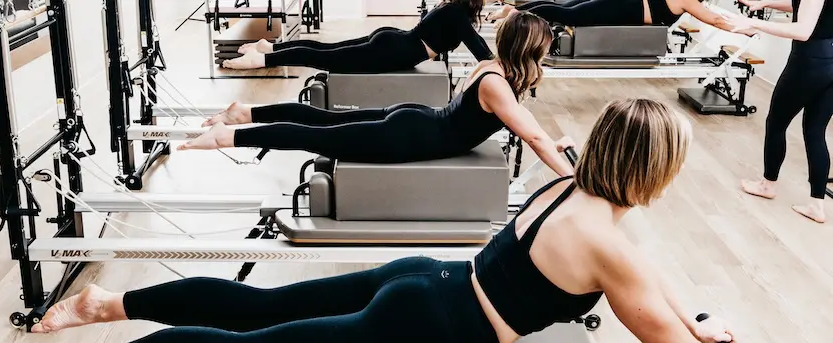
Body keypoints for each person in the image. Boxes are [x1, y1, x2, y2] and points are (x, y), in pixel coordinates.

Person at [0, 98, 820, 343]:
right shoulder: (611, 241)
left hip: (424, 281)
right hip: (416, 339)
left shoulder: (573, 189)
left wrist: (690, 321)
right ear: (657, 170)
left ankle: (107, 302)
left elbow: (655, 282)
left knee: (254, 309)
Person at [178, 12, 575, 173]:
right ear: (530, 51)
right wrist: (571, 179)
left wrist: (559, 149)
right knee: (316, 135)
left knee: (323, 123)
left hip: (414, 121)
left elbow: (539, 132)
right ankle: (228, 136)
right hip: (410, 134)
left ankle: (246, 112)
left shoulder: (493, 68)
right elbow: (535, 135)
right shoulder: (497, 84)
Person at [724, 0, 832, 223]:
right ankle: (817, 205)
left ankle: (767, 185)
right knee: (815, 131)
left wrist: (754, 23)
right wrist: (763, 2)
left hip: (809, 61)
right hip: (830, 60)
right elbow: (805, 7)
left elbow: (803, 30)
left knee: (776, 123)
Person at [224, 0, 493, 71]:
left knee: (324, 50)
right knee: (324, 58)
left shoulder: (451, 9)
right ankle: (262, 60)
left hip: (395, 40)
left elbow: (478, 44)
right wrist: (505, 65)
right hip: (397, 49)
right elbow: (480, 50)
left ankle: (269, 48)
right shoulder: (458, 15)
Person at [487, 0, 747, 31]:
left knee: (564, 7)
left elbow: (712, 14)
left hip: (626, 5)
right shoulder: (688, 0)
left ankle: (515, 9)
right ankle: (515, 12)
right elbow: (714, 19)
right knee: (569, 15)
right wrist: (747, 28)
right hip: (624, 7)